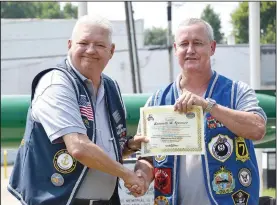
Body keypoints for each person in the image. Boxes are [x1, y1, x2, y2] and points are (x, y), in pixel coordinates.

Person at [8, 15, 148, 205]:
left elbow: (102, 150)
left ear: (111, 51)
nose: (90, 50)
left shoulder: (111, 87)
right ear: (69, 45)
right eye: (83, 43)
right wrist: (127, 175)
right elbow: (79, 148)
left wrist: (129, 146)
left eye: (99, 45)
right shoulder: (56, 83)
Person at [128, 18, 267, 205]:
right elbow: (148, 158)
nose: (190, 50)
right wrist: (142, 177)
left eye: (198, 43)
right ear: (175, 49)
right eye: (184, 44)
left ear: (212, 47)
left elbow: (257, 128)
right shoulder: (157, 100)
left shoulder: (237, 91)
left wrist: (208, 106)